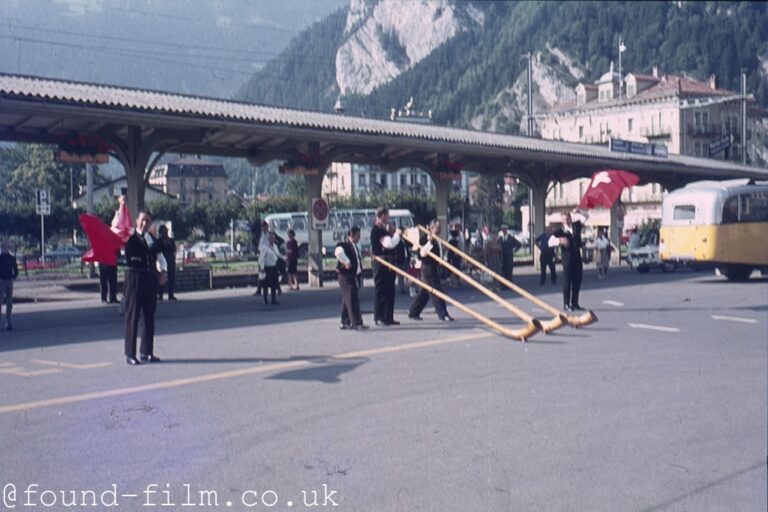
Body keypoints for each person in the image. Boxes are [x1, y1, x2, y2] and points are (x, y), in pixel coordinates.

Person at [123, 211, 167, 365]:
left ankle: (146, 352)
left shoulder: (151, 239)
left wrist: (163, 272)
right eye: (142, 220)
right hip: (133, 277)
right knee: (132, 316)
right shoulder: (128, 237)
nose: (144, 223)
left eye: (147, 221)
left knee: (149, 315)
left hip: (149, 278)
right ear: (137, 220)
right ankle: (130, 354)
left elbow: (160, 257)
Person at [408, 220, 453, 322]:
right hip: (428, 269)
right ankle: (443, 314)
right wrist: (429, 242)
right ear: (431, 228)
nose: (440, 229)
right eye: (438, 227)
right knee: (436, 291)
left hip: (435, 267)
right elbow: (421, 255)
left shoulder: (437, 239)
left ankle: (413, 312)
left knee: (424, 293)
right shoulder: (424, 239)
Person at [549, 210, 588, 311]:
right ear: (562, 221)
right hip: (567, 257)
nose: (566, 221)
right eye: (564, 219)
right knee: (567, 281)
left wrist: (579, 211)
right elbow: (550, 242)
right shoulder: (560, 230)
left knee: (577, 280)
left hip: (577, 255)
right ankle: (566, 304)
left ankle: (575, 303)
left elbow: (586, 217)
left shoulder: (576, 226)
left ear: (570, 218)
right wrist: (560, 241)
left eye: (567, 219)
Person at [370, 207, 402, 326]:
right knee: (381, 290)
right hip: (381, 263)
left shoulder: (385, 229)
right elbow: (389, 244)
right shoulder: (378, 230)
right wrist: (397, 235)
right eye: (387, 215)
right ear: (382, 215)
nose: (388, 218)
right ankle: (379, 316)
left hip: (389, 263)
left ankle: (388, 316)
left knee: (390, 290)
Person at [334, 226, 368, 330]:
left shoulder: (354, 246)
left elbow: (356, 258)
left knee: (347, 299)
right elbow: (338, 252)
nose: (359, 238)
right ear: (351, 235)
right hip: (345, 276)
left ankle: (345, 322)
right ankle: (356, 323)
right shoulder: (344, 245)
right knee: (352, 299)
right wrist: (346, 262)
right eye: (357, 235)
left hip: (352, 275)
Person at [0, 241, 19, 331]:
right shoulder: (0, 258)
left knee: (9, 302)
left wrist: (13, 277)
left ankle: (8, 321)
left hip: (9, 280)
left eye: (6, 247)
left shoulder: (11, 258)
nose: (4, 249)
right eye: (3, 247)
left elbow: (16, 269)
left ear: (8, 248)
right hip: (1, 281)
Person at [258, 232, 282, 306]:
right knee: (265, 285)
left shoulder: (275, 246)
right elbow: (261, 258)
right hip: (267, 268)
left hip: (274, 267)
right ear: (268, 239)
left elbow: (278, 255)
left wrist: (283, 258)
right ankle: (265, 299)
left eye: (273, 239)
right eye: (271, 239)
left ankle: (273, 299)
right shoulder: (265, 247)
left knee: (274, 284)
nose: (272, 240)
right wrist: (262, 268)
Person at [157, 225, 177, 301]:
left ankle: (170, 295)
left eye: (166, 231)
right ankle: (160, 295)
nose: (166, 233)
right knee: (161, 278)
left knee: (171, 279)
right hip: (162, 262)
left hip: (171, 261)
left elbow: (174, 250)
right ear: (161, 232)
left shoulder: (171, 240)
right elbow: (158, 251)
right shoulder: (159, 241)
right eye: (164, 231)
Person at [394, 224, 410, 294]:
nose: (403, 232)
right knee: (400, 275)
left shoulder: (404, 240)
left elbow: (409, 246)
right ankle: (401, 288)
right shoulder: (396, 240)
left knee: (406, 273)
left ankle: (407, 286)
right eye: (402, 231)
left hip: (406, 258)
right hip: (400, 259)